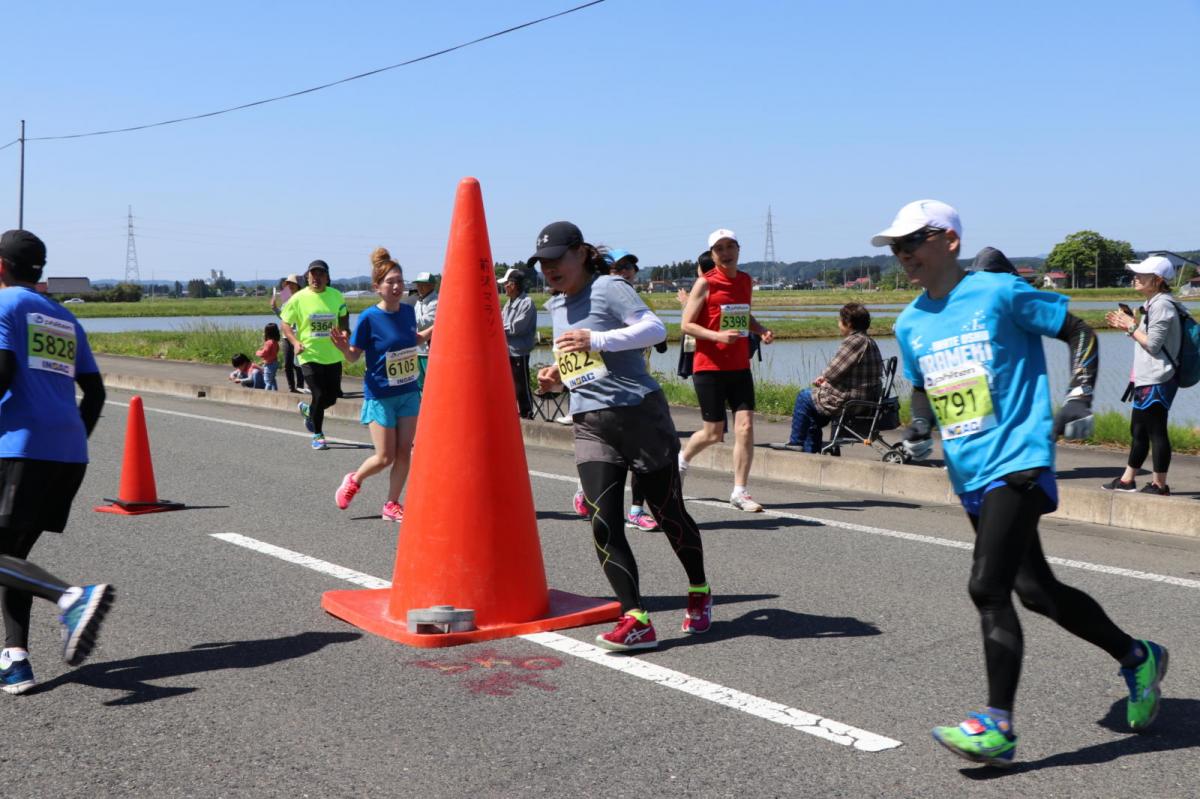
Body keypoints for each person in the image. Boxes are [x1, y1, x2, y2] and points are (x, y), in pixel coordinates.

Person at [876, 199, 1167, 766]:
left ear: (950, 241)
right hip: (969, 471)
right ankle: (1138, 657)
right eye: (895, 246)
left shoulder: (998, 293)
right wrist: (918, 427)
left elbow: (1079, 332)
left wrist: (1080, 394)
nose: (903, 253)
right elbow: (922, 385)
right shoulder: (910, 322)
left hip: (1019, 459)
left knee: (987, 587)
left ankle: (997, 726)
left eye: (913, 241)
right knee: (1035, 592)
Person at [530, 221, 711, 651]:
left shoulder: (609, 287)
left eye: (556, 259)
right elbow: (582, 365)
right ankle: (636, 617)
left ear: (580, 253)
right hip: (591, 424)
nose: (549, 269)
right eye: (542, 263)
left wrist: (597, 338)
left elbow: (654, 330)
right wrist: (558, 378)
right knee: (603, 521)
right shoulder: (556, 305)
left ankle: (699, 589)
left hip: (639, 416)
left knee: (669, 516)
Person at [0, 229, 115, 695]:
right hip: (67, 453)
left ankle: (69, 597)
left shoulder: (5, 306)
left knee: (6, 554)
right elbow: (96, 393)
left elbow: (2, 372)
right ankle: (15, 659)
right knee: (11, 557)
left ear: (0, 266)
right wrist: (69, 440)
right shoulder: (63, 317)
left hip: (21, 448)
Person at [678, 229, 774, 512]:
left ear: (739, 250)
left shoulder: (745, 280)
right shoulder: (705, 283)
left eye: (730, 246)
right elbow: (686, 324)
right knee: (713, 433)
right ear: (712, 254)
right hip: (709, 366)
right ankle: (681, 461)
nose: (726, 252)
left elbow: (743, 314)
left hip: (739, 366)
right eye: (719, 249)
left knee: (745, 426)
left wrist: (761, 330)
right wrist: (717, 336)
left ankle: (740, 491)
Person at [331, 248, 429, 523]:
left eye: (400, 281)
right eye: (390, 282)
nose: (397, 287)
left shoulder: (408, 312)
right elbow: (353, 356)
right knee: (385, 457)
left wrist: (437, 326)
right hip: (380, 395)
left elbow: (413, 340)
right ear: (377, 287)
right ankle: (354, 479)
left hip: (408, 392)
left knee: (404, 453)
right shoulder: (368, 318)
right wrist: (343, 348)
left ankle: (392, 504)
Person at [1102, 256, 1182, 496]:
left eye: (1141, 275)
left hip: (1158, 377)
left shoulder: (1162, 305)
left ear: (1157, 280)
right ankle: (1128, 480)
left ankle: (1160, 485)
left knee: (1156, 431)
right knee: (1138, 431)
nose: (1135, 278)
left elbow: (1153, 345)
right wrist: (1130, 326)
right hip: (1146, 377)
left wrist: (1130, 326)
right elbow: (1147, 340)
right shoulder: (1152, 303)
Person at [786, 303, 882, 453]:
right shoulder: (869, 341)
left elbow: (833, 371)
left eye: (840, 320)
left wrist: (825, 377)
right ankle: (810, 452)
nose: (838, 324)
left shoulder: (853, 341)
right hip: (866, 398)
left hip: (850, 401)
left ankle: (795, 442)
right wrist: (827, 379)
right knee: (812, 415)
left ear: (848, 323)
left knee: (803, 397)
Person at [279, 260, 349, 450]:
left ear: (327, 277)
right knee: (318, 393)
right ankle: (318, 435)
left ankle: (309, 410)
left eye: (320, 274)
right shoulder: (298, 298)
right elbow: (285, 323)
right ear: (307, 277)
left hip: (333, 354)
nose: (316, 278)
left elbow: (343, 315)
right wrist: (295, 342)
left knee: (332, 397)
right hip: (308, 354)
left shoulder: (336, 295)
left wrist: (344, 331)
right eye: (313, 274)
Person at [499, 267, 536, 420]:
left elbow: (517, 327)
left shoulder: (527, 303)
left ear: (513, 285)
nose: (504, 287)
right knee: (510, 385)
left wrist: (498, 328)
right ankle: (513, 414)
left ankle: (527, 414)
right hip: (508, 350)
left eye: (505, 284)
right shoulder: (509, 303)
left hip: (519, 351)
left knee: (522, 385)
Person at [271, 274, 306, 393]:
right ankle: (292, 388)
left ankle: (300, 387)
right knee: (287, 364)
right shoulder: (286, 296)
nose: (289, 285)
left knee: (298, 363)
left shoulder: (303, 297)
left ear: (298, 285)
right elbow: (283, 317)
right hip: (286, 335)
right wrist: (274, 308)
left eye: (292, 283)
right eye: (288, 283)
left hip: (298, 336)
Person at [412, 272, 439, 390]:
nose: (419, 287)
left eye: (423, 284)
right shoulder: (419, 301)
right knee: (418, 384)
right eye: (418, 284)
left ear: (432, 285)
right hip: (417, 349)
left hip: (429, 351)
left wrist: (406, 321)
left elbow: (427, 322)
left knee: (430, 384)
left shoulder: (436, 302)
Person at [257, 323, 281, 391]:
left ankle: (266, 394)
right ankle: (275, 392)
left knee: (267, 381)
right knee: (272, 380)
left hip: (269, 364)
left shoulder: (268, 342)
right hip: (275, 363)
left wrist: (258, 352)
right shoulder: (275, 342)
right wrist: (263, 361)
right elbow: (274, 352)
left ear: (267, 332)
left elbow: (264, 353)